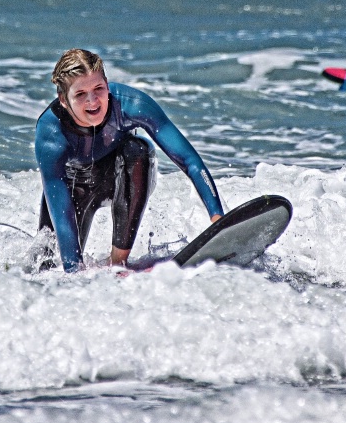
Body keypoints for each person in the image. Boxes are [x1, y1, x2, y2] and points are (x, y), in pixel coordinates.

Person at [34, 48, 224, 273]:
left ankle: (118, 264)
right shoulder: (50, 133)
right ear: (64, 100)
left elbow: (189, 160)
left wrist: (217, 217)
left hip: (120, 180)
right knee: (46, 268)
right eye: (80, 94)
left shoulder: (131, 104)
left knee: (138, 150)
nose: (93, 101)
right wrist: (75, 272)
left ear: (107, 84)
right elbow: (59, 204)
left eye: (98, 89)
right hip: (73, 191)